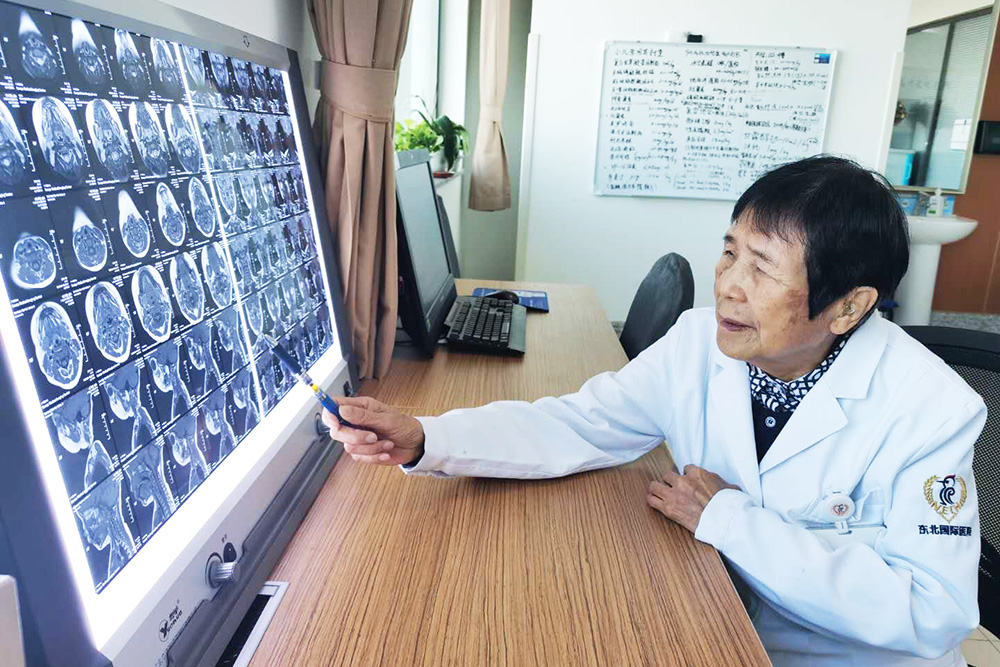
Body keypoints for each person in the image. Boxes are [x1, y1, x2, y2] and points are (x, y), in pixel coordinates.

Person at [323, 156, 985, 666]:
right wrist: (427, 436)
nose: (729, 284)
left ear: (848, 306)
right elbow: (577, 424)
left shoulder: (931, 408)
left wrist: (729, 519)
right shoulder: (701, 342)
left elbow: (934, 612)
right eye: (730, 251)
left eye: (762, 269)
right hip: (719, 618)